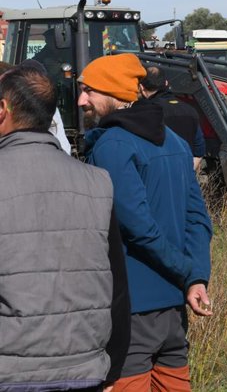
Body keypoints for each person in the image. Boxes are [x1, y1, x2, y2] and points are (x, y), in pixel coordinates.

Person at [77, 53, 213, 390]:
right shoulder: (176, 142)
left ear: (115, 93)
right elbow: (198, 218)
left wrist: (187, 273)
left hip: (133, 307)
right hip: (174, 304)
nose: (81, 100)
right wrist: (196, 276)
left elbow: (137, 226)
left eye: (89, 91)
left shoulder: (112, 145)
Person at [0, 64, 130, 391]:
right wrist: (112, 368)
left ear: (3, 110)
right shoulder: (97, 182)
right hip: (86, 368)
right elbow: (117, 282)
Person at [139, 65, 206, 170]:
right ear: (166, 83)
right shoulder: (190, 110)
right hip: (184, 177)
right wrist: (187, 173)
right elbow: (199, 151)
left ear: (142, 88)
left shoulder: (143, 112)